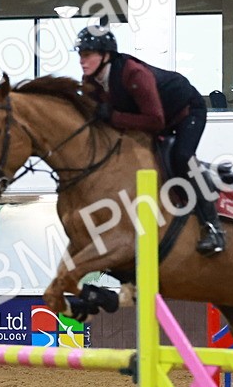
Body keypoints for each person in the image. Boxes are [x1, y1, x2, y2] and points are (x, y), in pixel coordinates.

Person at [74, 27, 225, 255]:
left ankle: (213, 227)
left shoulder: (134, 74)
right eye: (80, 55)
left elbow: (155, 121)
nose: (82, 61)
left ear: (106, 55)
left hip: (186, 112)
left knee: (182, 157)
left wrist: (113, 117)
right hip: (154, 117)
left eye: (87, 54)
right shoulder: (90, 81)